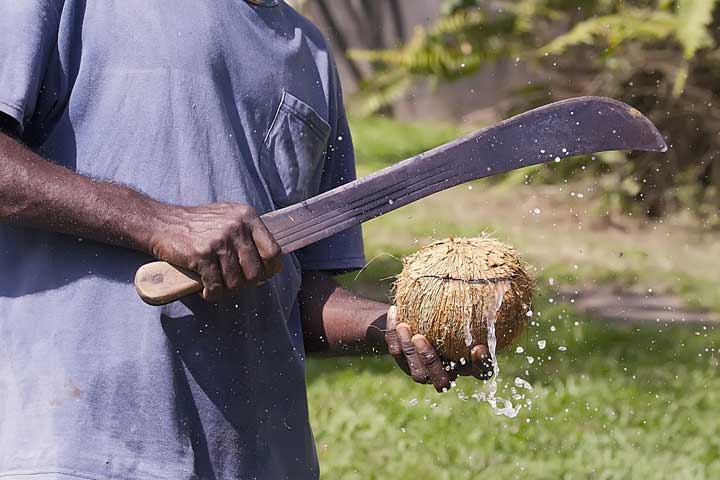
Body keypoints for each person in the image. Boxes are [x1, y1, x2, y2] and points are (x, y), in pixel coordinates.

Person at [0, 1, 492, 478]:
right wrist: (157, 222)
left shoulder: (313, 57)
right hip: (80, 444)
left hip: (257, 461)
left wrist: (391, 326)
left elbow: (292, 292)